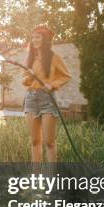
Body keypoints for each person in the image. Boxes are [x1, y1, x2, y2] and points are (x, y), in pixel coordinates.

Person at [22, 25, 71, 163]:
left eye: (38, 37)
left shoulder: (54, 57)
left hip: (47, 100)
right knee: (34, 141)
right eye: (32, 37)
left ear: (45, 39)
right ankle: (36, 177)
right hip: (31, 99)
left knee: (49, 142)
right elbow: (24, 81)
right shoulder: (29, 58)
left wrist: (52, 85)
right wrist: (30, 77)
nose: (34, 40)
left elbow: (66, 76)